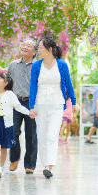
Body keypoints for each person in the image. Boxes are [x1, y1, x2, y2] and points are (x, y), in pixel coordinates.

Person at [28, 36, 77, 179]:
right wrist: (31, 106)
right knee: (42, 136)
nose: (38, 50)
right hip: (40, 104)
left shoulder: (61, 64)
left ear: (50, 49)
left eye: (41, 48)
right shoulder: (37, 65)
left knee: (52, 135)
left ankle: (50, 165)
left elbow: (68, 84)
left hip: (57, 104)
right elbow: (33, 87)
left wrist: (73, 102)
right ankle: (45, 164)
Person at [8, 38, 38, 174]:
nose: (25, 47)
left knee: (31, 135)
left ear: (35, 51)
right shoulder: (13, 65)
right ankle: (14, 158)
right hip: (15, 102)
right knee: (13, 132)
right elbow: (7, 85)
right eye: (24, 45)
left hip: (31, 103)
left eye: (29, 46)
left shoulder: (38, 66)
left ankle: (30, 164)